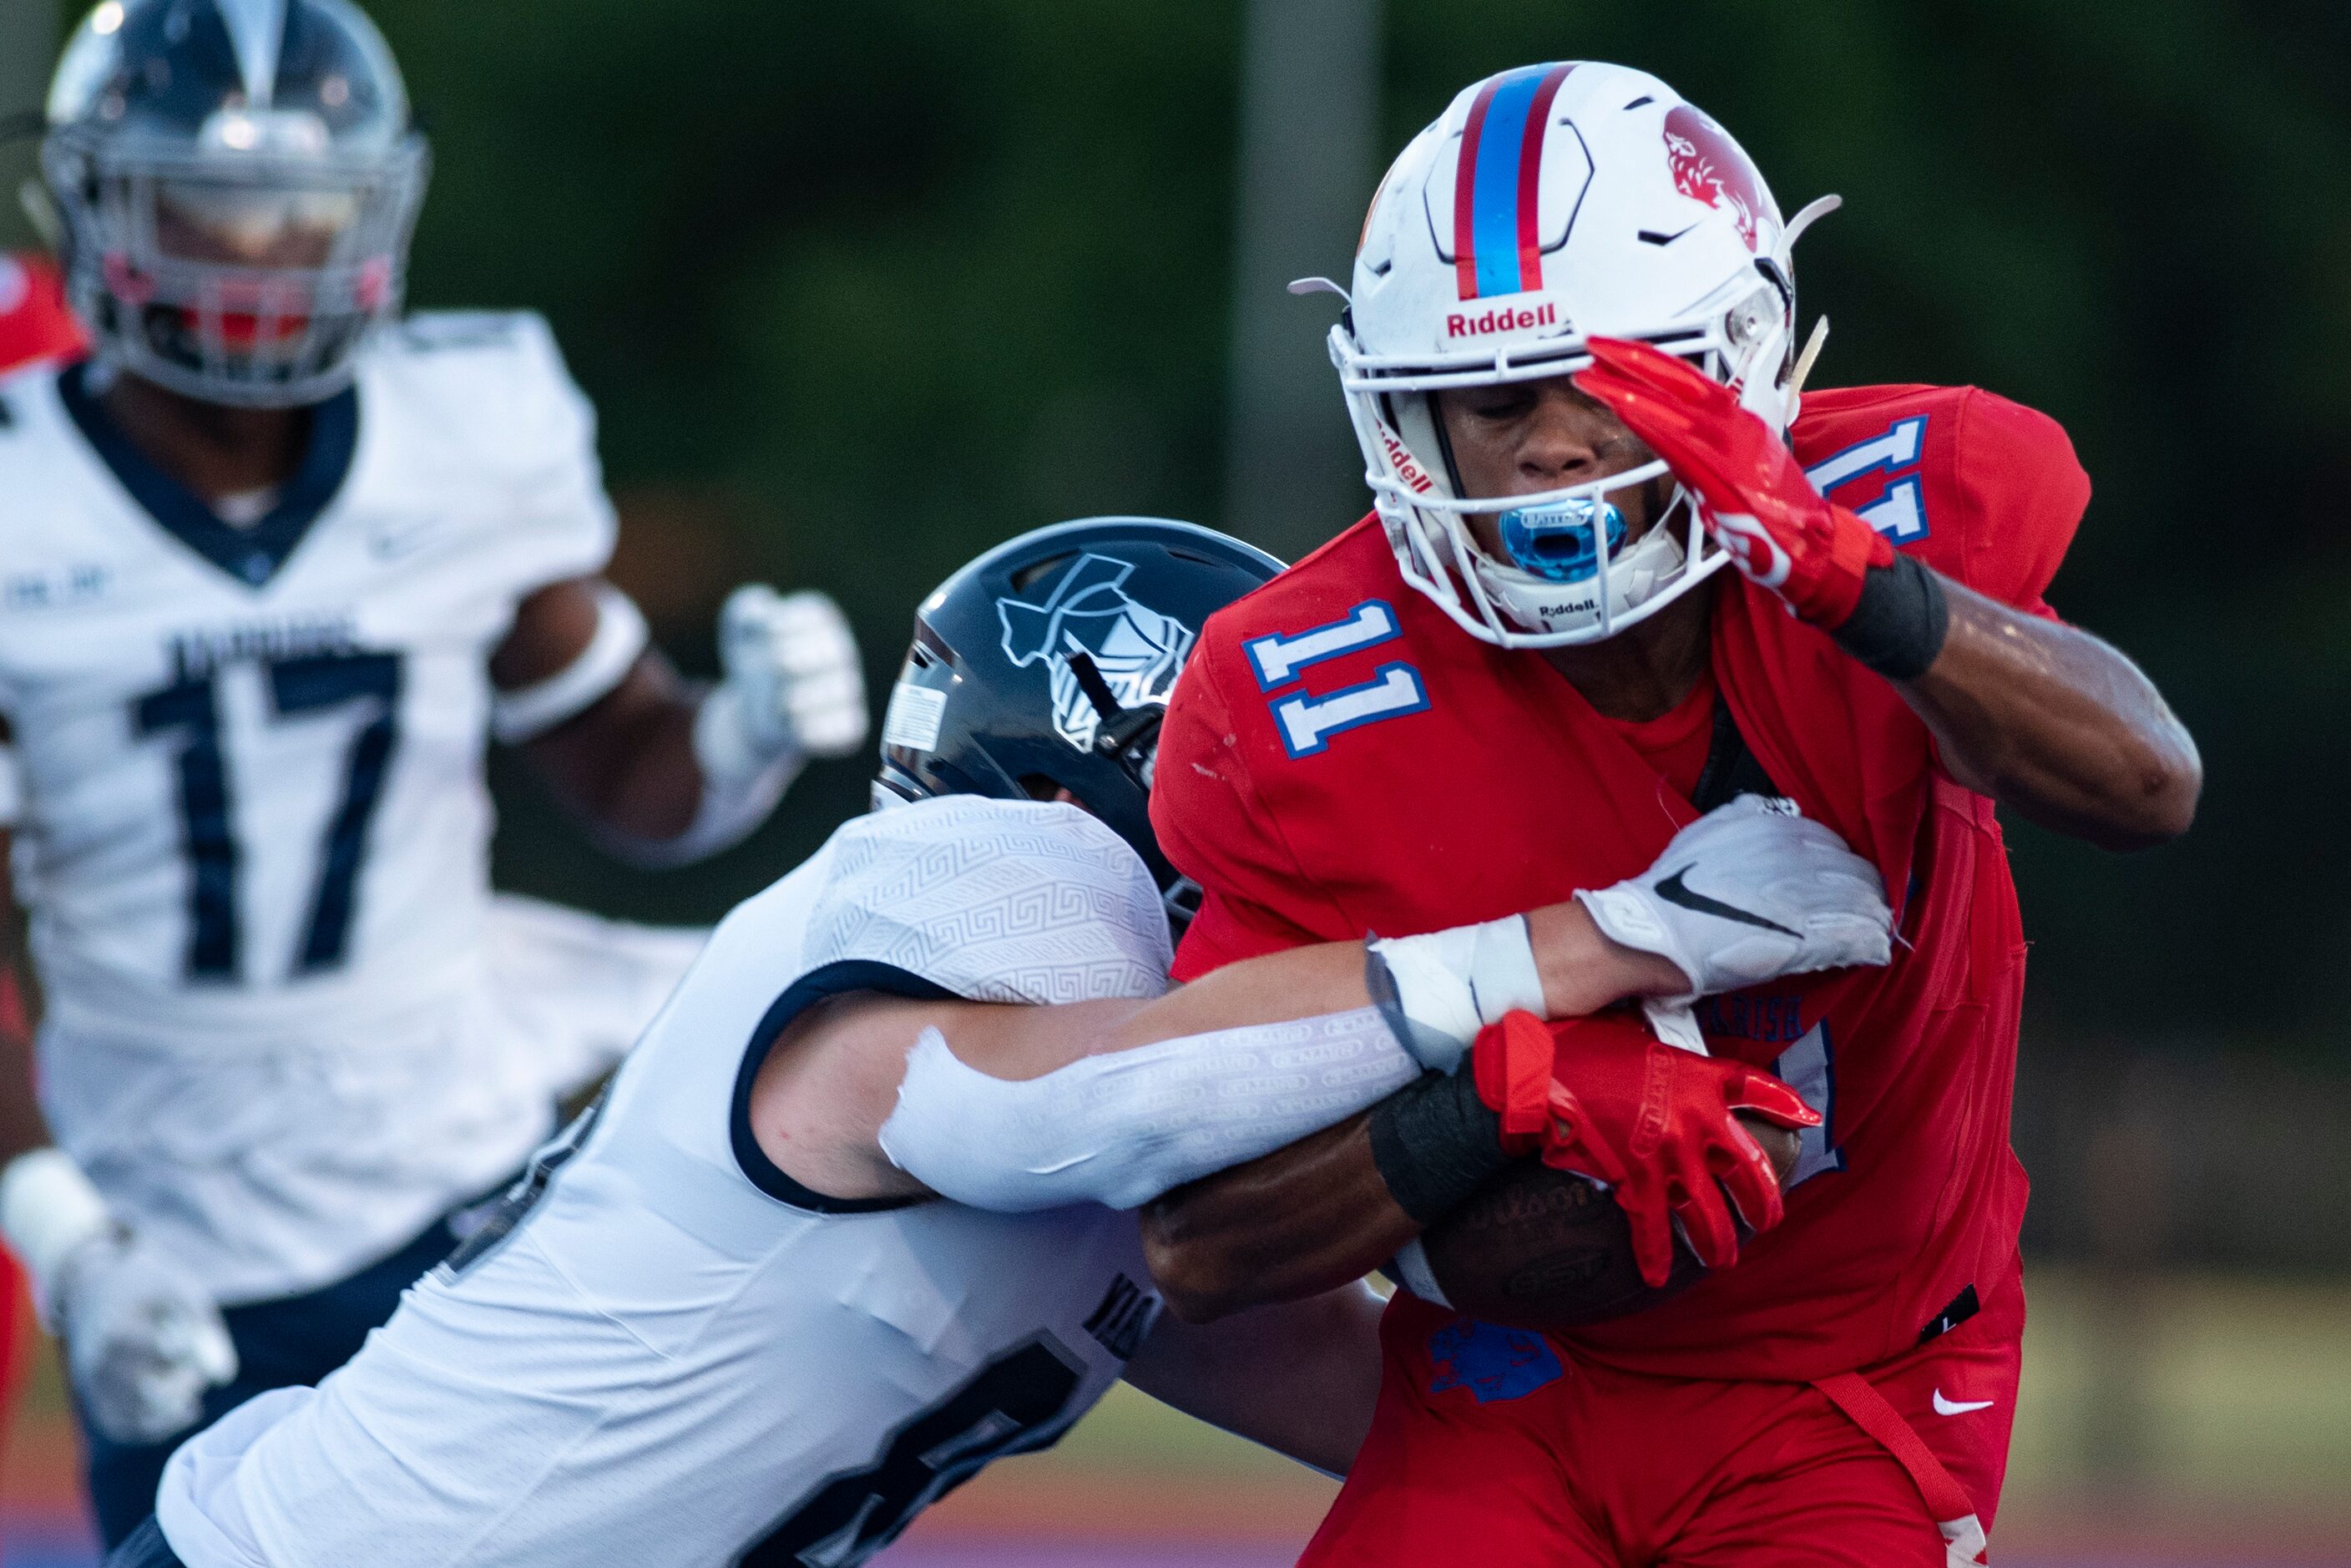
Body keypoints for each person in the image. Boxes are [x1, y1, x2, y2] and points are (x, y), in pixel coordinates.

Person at [103, 516, 1897, 1568]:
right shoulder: (1002, 872)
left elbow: (1384, 1407)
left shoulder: (1126, 1100)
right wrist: (1593, 947)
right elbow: (1067, 1113)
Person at [1138, 62, 2202, 1567]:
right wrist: (1508, 1093)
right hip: (1508, 1382)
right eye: (1495, 396)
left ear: (1737, 362)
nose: (1555, 444)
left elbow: (2150, 784)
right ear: (1406, 419)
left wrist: (1857, 586)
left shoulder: (1895, 505)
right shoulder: (1302, 694)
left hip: (1861, 1374)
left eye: (1613, 380)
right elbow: (1201, 1237)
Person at [0, 0, 867, 1543]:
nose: (261, 254)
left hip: (463, 1194)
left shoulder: (463, 430)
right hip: (172, 1240)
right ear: (91, 203)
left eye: (306, 207)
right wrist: (62, 1231)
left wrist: (733, 738)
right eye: (213, 203)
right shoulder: (23, 499)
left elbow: (625, 773)